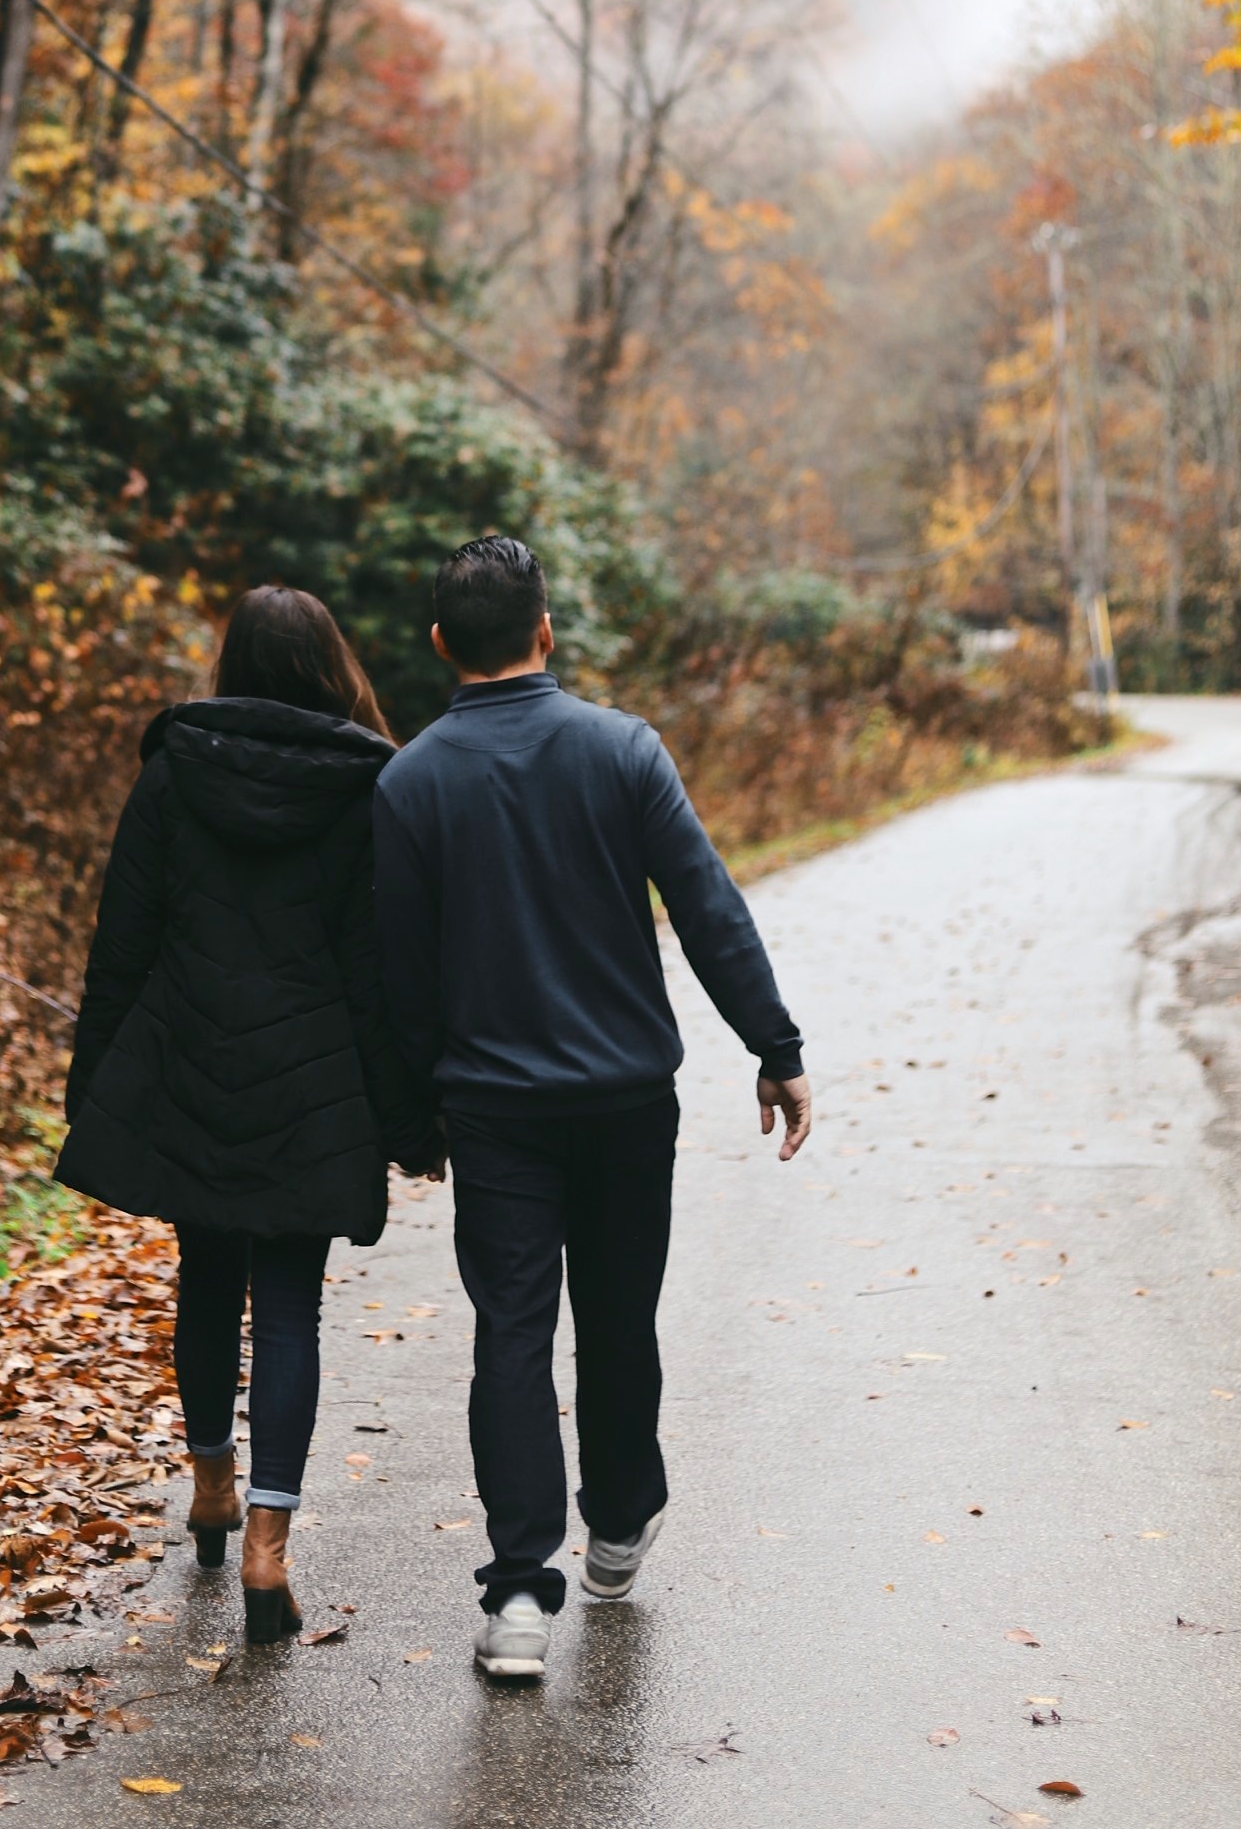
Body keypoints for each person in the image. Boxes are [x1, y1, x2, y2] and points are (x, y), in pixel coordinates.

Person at [373, 533, 811, 1682]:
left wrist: (412, 1123)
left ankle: (519, 1595)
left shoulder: (410, 782)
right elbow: (708, 907)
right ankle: (616, 1527)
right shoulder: (623, 752)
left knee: (511, 1334)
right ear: (546, 629)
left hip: (495, 1113)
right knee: (619, 1316)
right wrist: (774, 1045)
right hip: (624, 1101)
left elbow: (398, 982)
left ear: (437, 646)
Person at [57, 585, 440, 1644]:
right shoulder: (370, 787)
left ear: (232, 661)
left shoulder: (174, 770)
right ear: (331, 666)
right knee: (288, 1308)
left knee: (206, 1279)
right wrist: (408, 1121)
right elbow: (379, 975)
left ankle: (211, 1488)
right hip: (312, 1082)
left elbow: (120, 943)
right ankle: (268, 1548)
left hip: (188, 1062)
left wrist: (92, 1088)